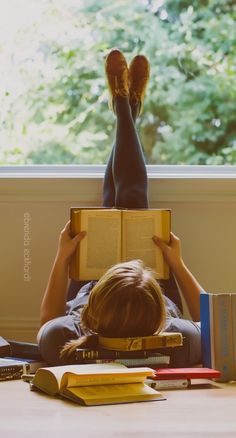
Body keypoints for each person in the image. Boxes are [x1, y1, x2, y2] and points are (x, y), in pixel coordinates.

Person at [37, 49, 202, 366]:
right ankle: (126, 107)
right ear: (160, 317)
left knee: (122, 200)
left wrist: (63, 258)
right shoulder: (178, 340)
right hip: (132, 290)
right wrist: (176, 265)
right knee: (130, 198)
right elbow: (213, 325)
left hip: (109, 284)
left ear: (90, 310)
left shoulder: (68, 339)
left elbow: (47, 323)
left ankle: (125, 106)